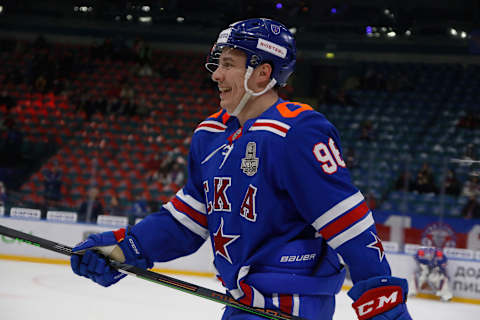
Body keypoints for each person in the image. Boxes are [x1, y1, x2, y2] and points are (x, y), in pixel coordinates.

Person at [70, 18, 411, 320]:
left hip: (291, 305)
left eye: (229, 64)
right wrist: (122, 249)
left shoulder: (297, 133)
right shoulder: (210, 135)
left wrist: (382, 300)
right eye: (218, 64)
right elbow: (185, 222)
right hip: (243, 303)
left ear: (263, 73)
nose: (217, 74)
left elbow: (348, 224)